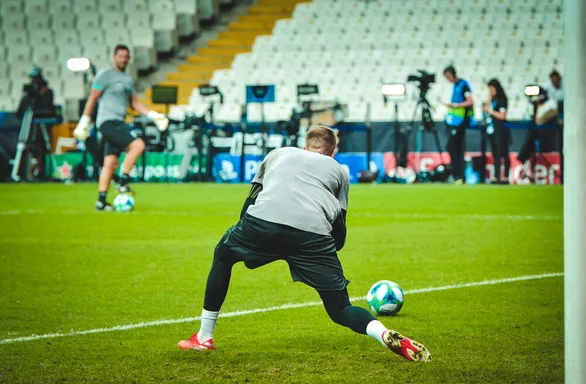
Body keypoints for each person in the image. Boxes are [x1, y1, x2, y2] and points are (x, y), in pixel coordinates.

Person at [178, 126, 432, 362]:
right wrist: (318, 259)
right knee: (341, 309)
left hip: (261, 224)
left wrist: (249, 244)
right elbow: (339, 232)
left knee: (223, 254)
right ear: (332, 152)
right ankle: (382, 333)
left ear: (304, 146)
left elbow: (249, 202)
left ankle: (203, 337)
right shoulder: (339, 171)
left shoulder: (278, 154)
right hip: (312, 236)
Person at [73, 44, 168, 211]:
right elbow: (93, 97)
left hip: (119, 121)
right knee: (138, 145)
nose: (123, 59)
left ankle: (101, 201)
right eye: (120, 56)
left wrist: (153, 115)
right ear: (114, 57)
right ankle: (123, 182)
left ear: (129, 59)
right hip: (108, 122)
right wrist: (84, 121)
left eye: (126, 57)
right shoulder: (104, 75)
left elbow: (134, 103)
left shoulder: (128, 80)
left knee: (110, 162)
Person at [16, 66, 55, 179]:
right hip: (27, 125)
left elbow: (49, 109)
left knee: (41, 148)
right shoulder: (28, 94)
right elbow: (20, 111)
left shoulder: (47, 92)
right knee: (26, 146)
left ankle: (40, 171)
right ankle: (24, 171)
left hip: (41, 126)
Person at [443, 66, 474, 184]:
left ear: (452, 74)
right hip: (454, 121)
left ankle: (459, 176)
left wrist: (455, 105)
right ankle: (458, 176)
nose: (447, 79)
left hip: (460, 122)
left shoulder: (463, 84)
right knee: (453, 148)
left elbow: (470, 101)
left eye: (448, 76)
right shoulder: (456, 86)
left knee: (455, 147)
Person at [483, 79, 510, 184]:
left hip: (501, 130)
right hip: (492, 130)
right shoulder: (492, 100)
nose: (490, 91)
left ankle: (505, 177)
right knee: (495, 154)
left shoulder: (502, 100)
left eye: (491, 89)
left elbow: (502, 116)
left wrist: (490, 111)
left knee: (503, 153)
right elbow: (485, 109)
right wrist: (488, 99)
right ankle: (496, 176)